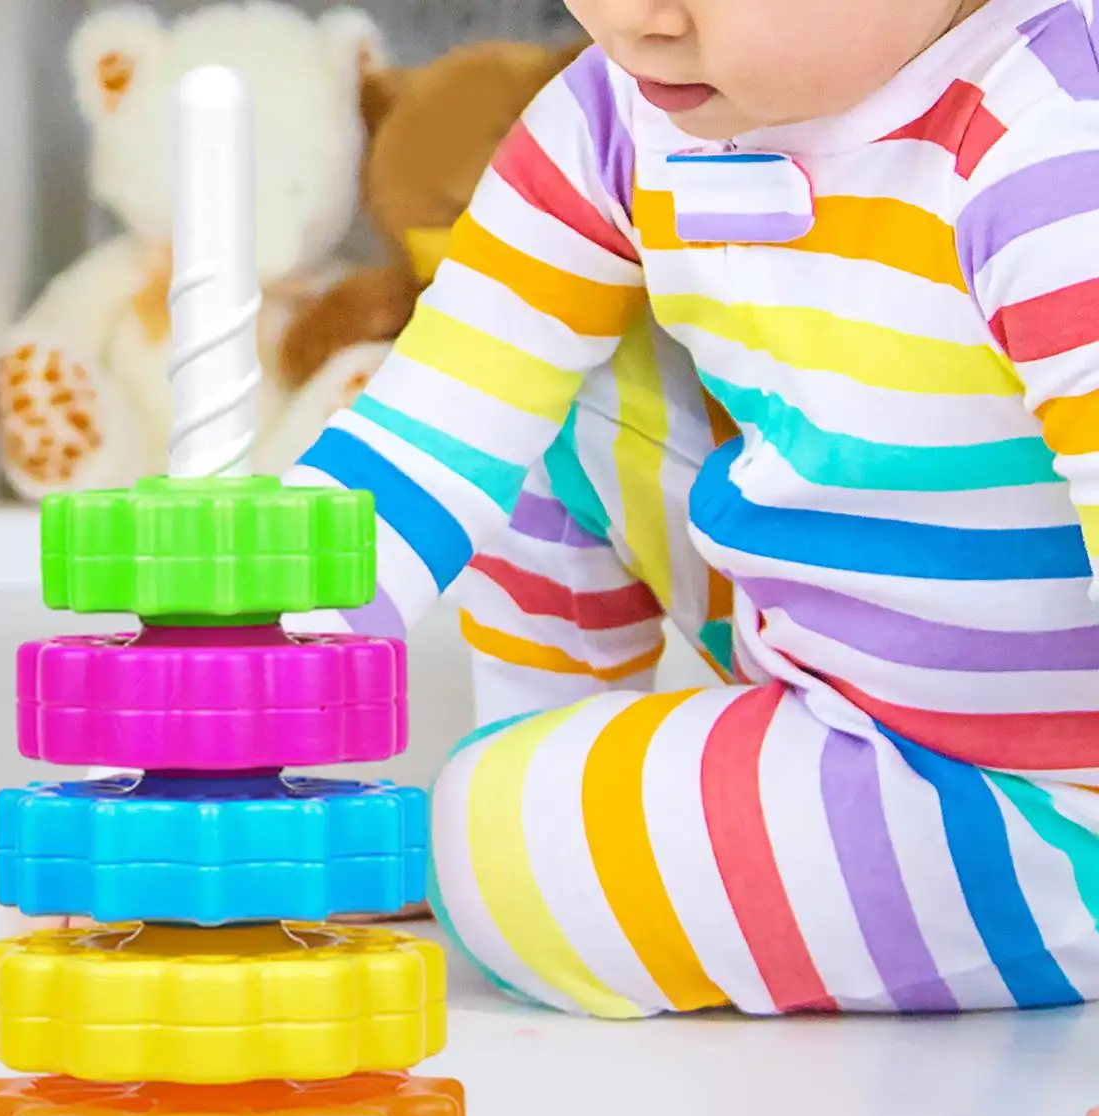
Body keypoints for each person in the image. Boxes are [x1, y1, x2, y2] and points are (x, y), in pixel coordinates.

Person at [287, 0, 1099, 1016]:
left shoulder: (1054, 153)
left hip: (1042, 797)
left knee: (491, 847)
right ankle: (557, 753)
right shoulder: (625, 112)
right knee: (542, 369)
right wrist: (232, 684)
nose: (632, 18)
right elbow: (432, 423)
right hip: (821, 642)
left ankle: (569, 812)